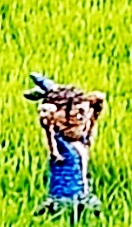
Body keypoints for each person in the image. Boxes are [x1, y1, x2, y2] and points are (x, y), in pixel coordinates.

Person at [27, 75, 106, 216]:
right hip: (63, 197)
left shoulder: (81, 141)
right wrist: (48, 122)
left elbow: (91, 122)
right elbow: (50, 133)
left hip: (83, 195)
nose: (81, 120)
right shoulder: (60, 144)